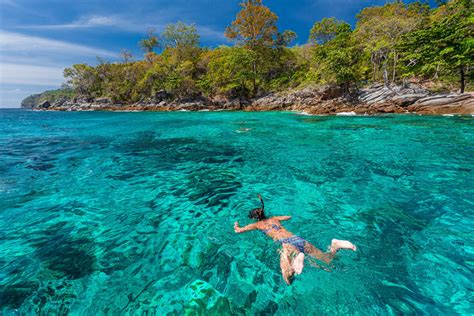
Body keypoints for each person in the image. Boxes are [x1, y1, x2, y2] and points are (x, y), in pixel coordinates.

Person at [234, 195, 356, 284]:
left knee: (287, 278)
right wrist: (276, 217)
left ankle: (296, 261)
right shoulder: (274, 218)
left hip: (286, 244)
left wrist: (236, 226)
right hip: (297, 239)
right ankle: (335, 245)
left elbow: (239, 231)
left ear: (254, 218)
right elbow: (289, 217)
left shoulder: (256, 225)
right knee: (327, 260)